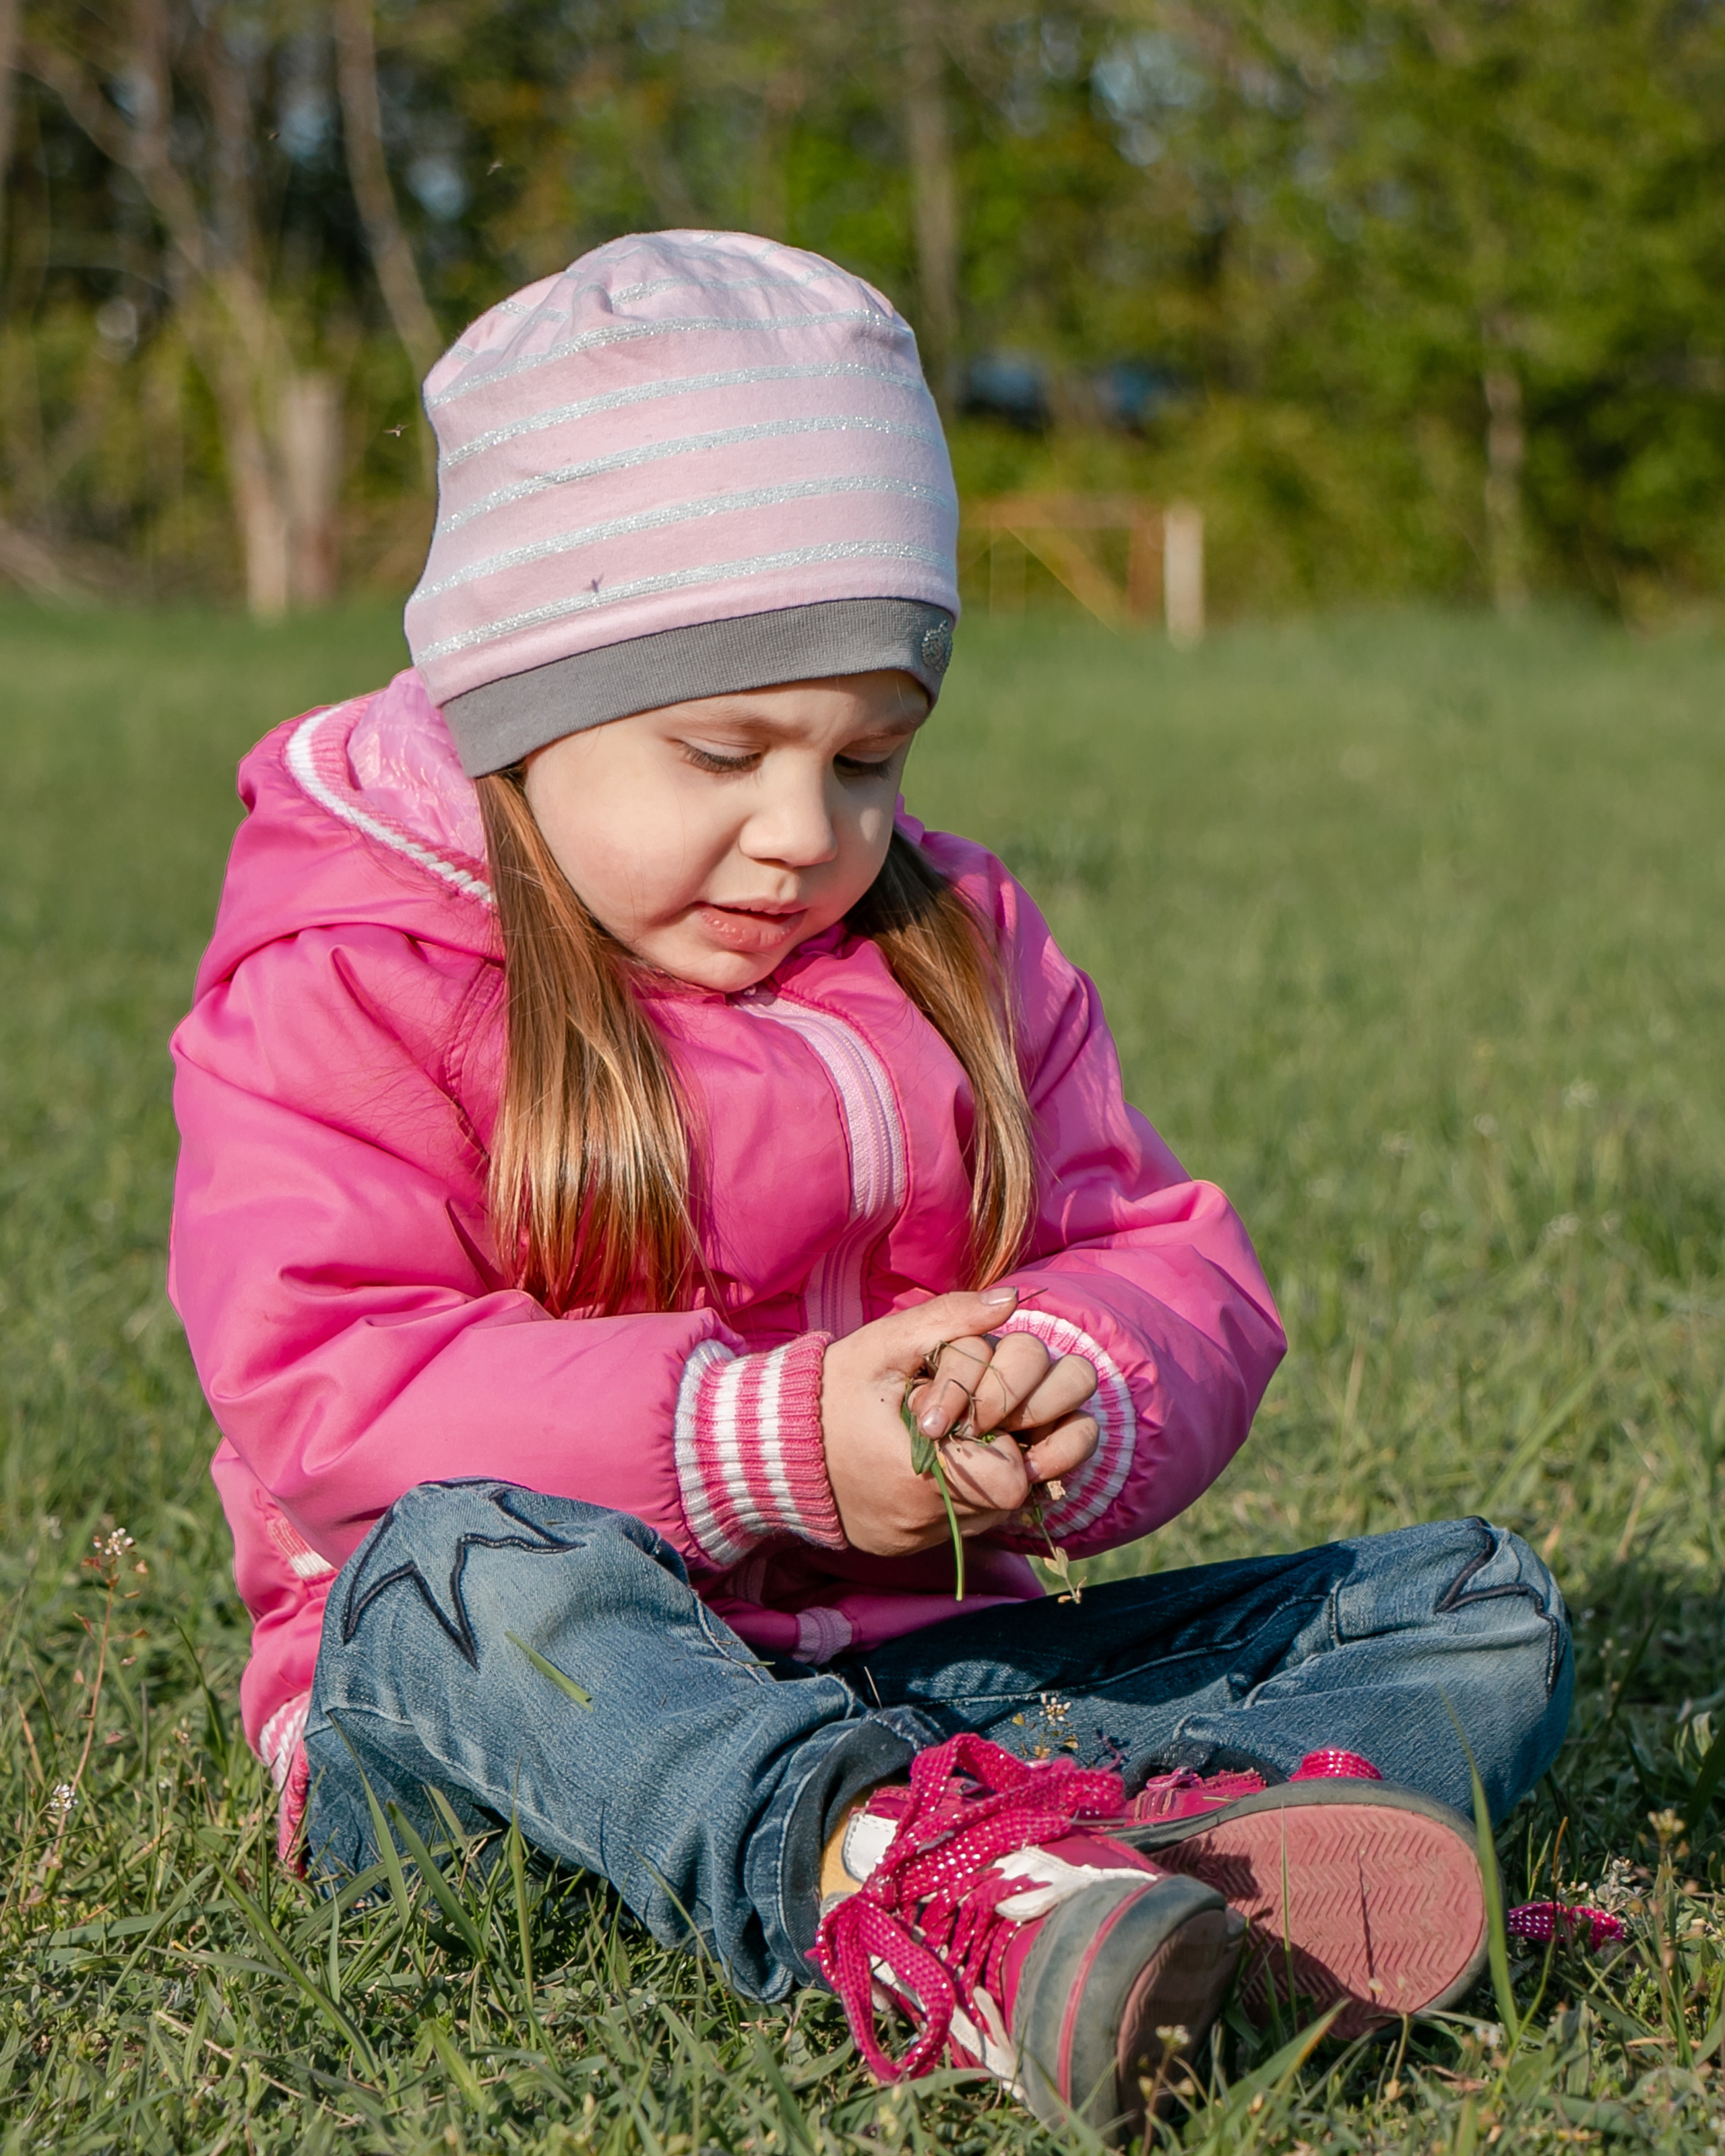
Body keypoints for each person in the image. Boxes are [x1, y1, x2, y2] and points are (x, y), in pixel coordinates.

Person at [170, 230, 1573, 2138]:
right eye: (722, 751)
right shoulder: (353, 974)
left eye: (868, 759)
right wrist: (763, 1444)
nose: (802, 833)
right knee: (446, 1576)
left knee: (1474, 1601)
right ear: (514, 709)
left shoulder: (952, 944)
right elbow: (331, 1381)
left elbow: (1157, 1259)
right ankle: (904, 1876)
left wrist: (1073, 1384)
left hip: (925, 1673)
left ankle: (1081, 1879)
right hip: (519, 1732)